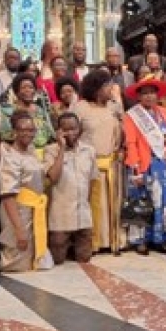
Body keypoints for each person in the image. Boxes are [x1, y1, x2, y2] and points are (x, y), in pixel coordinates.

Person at [123, 77, 166, 254]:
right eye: (144, 93)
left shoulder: (163, 112)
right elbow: (130, 142)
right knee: (141, 200)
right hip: (142, 164)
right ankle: (140, 240)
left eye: (152, 93)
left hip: (161, 163)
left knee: (162, 201)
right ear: (138, 96)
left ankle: (160, 238)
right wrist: (136, 168)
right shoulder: (132, 116)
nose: (149, 97)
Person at [76, 70, 124, 253]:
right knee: (93, 204)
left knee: (111, 204)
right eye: (106, 86)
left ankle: (111, 240)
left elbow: (120, 133)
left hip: (111, 163)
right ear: (96, 88)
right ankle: (92, 241)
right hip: (89, 164)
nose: (110, 89)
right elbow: (74, 132)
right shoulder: (81, 107)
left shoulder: (113, 107)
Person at [0, 110, 51, 272]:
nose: (28, 133)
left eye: (31, 130)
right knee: (18, 261)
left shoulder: (31, 151)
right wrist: (19, 229)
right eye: (23, 130)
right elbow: (7, 195)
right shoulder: (10, 156)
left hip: (33, 209)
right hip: (17, 210)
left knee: (37, 260)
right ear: (14, 132)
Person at [44, 113, 100, 264]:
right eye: (65, 130)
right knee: (58, 260)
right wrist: (61, 149)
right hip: (61, 216)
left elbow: (92, 180)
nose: (70, 133)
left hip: (83, 215)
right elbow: (53, 177)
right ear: (58, 131)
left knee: (84, 258)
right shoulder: (51, 150)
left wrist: (86, 204)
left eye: (73, 128)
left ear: (80, 129)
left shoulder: (89, 151)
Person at [0, 72, 55, 152]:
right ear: (16, 92)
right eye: (24, 87)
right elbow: (6, 136)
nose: (28, 90)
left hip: (45, 153)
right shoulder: (9, 111)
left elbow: (50, 134)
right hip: (20, 153)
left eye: (31, 87)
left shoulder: (41, 110)